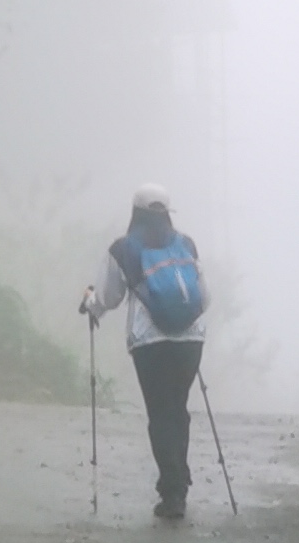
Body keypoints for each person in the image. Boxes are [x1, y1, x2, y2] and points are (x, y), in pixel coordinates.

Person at [82, 189, 208, 523]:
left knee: (160, 412)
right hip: (191, 340)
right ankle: (178, 478)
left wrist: (90, 304)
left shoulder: (124, 248)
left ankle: (172, 491)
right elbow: (204, 298)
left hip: (149, 341)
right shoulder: (186, 244)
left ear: (135, 211)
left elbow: (108, 296)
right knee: (178, 408)